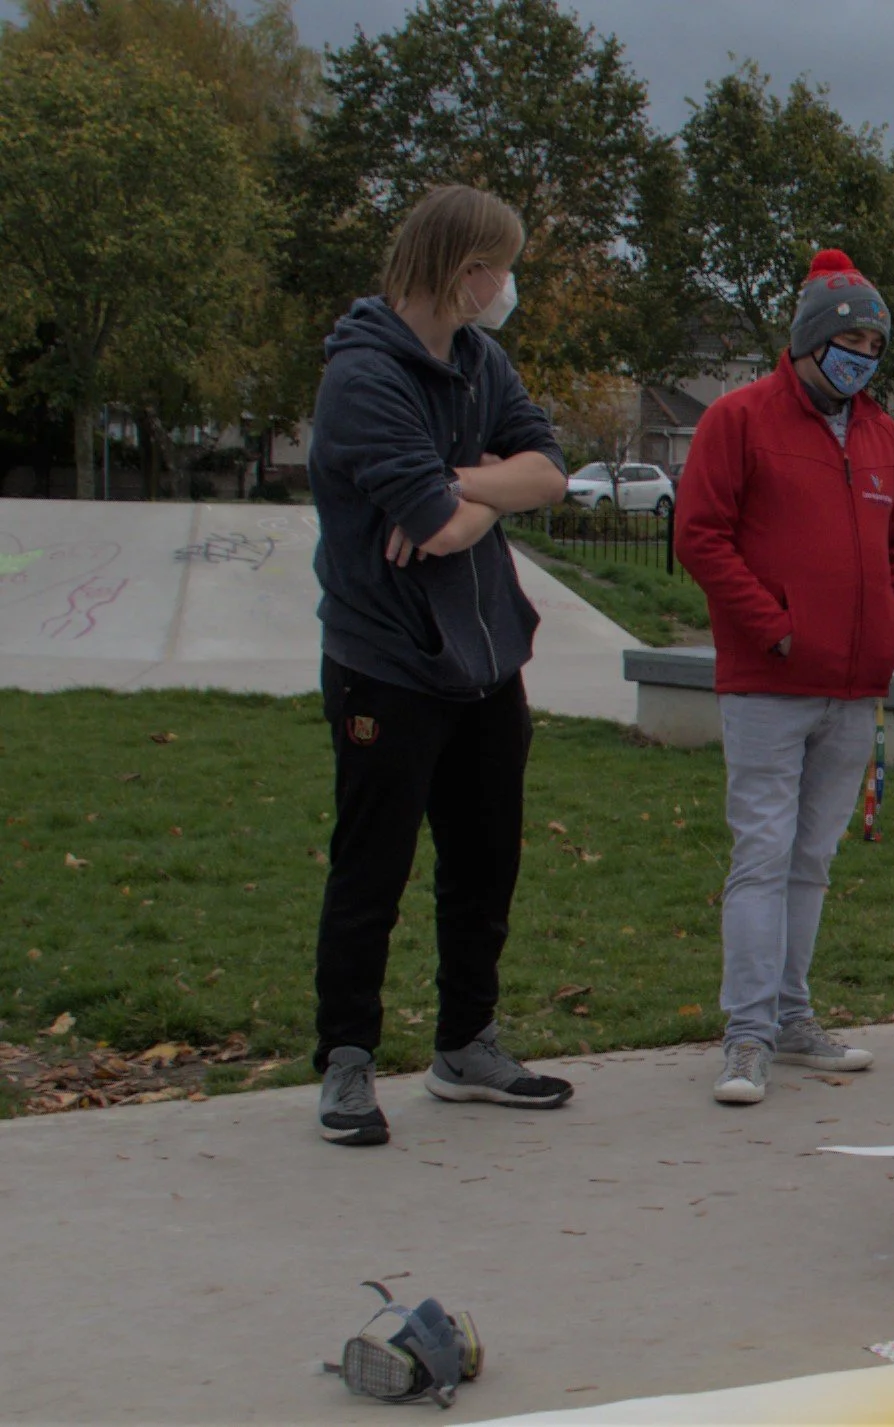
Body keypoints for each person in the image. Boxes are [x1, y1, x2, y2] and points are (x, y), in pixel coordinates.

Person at [306, 184, 574, 1147]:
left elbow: (546, 470)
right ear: (464, 272)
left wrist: (465, 482)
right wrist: (469, 496)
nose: (507, 286)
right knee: (370, 868)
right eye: (500, 267)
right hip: (387, 664)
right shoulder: (364, 379)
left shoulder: (479, 361)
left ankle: (467, 1044)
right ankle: (346, 1060)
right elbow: (435, 525)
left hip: (486, 659)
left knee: (485, 858)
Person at [674, 249, 894, 1105]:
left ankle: (790, 1013)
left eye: (875, 343)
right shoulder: (738, 420)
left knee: (811, 857)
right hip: (768, 685)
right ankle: (745, 1033)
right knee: (763, 851)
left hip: (855, 685)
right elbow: (700, 535)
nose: (862, 356)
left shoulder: (883, 433)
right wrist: (772, 627)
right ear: (811, 339)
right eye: (849, 339)